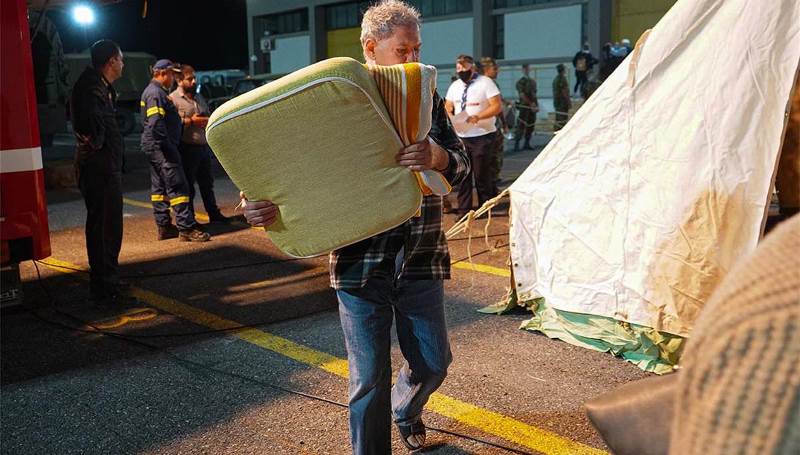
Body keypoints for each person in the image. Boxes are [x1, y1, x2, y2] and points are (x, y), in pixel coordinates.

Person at [241, 1, 470, 452]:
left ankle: (407, 408)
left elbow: (461, 167)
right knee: (368, 380)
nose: (413, 59)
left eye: (417, 48)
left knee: (434, 362)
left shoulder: (425, 98)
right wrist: (256, 205)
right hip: (358, 263)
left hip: (421, 255)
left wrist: (437, 157)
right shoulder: (330, 99)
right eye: (402, 50)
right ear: (370, 47)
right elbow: (282, 167)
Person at [70, 39, 130, 306]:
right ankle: (105, 289)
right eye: (121, 59)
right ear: (111, 62)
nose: (123, 64)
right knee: (104, 228)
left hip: (105, 168)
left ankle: (109, 279)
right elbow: (92, 131)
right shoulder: (90, 89)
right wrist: (101, 145)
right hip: (100, 170)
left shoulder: (100, 86)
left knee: (109, 227)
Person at [140, 59, 210, 242]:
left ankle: (163, 226)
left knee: (159, 189)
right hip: (162, 148)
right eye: (172, 74)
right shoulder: (156, 93)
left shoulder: (153, 92)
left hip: (154, 147)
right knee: (178, 185)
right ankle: (186, 228)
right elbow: (156, 124)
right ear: (162, 73)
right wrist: (169, 146)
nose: (173, 78)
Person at [169, 64, 231, 224]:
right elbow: (172, 123)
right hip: (187, 149)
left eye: (194, 78)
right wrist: (191, 121)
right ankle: (190, 219)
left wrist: (205, 119)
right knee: (188, 186)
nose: (194, 81)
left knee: (207, 184)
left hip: (203, 148)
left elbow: (207, 114)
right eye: (190, 79)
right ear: (179, 80)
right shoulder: (173, 99)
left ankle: (214, 214)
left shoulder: (198, 97)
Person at [445, 54, 503, 215]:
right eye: (459, 68)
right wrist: (449, 111)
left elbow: (497, 106)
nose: (461, 71)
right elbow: (448, 104)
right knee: (464, 174)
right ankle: (464, 211)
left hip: (482, 134)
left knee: (481, 173)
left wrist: (479, 116)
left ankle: (485, 208)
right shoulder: (455, 86)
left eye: (465, 67)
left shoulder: (486, 83)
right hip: (461, 135)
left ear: (473, 67)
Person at [480, 56, 510, 192]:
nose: (497, 71)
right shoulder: (490, 84)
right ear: (486, 69)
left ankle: (489, 185)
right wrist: (504, 123)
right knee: (494, 156)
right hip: (491, 127)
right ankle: (491, 185)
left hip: (480, 127)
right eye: (494, 68)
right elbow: (498, 108)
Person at [514, 64, 538, 151]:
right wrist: (531, 103)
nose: (528, 70)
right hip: (524, 106)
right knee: (521, 125)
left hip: (532, 107)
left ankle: (527, 143)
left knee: (531, 125)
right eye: (526, 69)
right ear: (523, 70)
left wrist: (535, 105)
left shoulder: (532, 82)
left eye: (528, 69)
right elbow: (522, 95)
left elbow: (534, 95)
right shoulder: (521, 82)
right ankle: (516, 143)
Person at [552, 63, 571, 131]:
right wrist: (568, 101)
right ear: (563, 70)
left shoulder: (555, 79)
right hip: (562, 103)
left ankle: (556, 132)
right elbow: (564, 91)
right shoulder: (562, 79)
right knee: (562, 120)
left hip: (557, 102)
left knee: (558, 119)